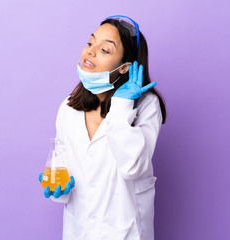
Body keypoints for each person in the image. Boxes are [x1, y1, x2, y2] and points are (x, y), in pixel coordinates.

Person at [39, 15, 167, 240]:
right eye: (90, 43)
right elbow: (64, 168)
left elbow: (132, 168)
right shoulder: (69, 107)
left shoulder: (146, 106)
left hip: (126, 233)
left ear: (124, 67)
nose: (91, 51)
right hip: (78, 231)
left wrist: (121, 105)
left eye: (105, 50)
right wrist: (59, 190)